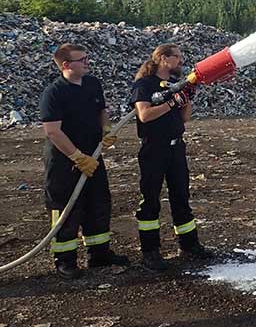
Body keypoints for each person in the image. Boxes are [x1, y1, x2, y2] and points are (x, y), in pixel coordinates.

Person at [40, 44, 129, 279]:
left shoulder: (92, 84)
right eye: (82, 59)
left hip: (93, 156)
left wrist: (106, 129)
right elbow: (52, 131)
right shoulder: (55, 93)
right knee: (66, 209)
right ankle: (65, 260)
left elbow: (102, 110)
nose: (87, 62)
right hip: (64, 161)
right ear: (66, 65)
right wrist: (77, 157)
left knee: (98, 203)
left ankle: (99, 253)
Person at [132, 44, 213, 271]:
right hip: (153, 149)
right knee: (150, 200)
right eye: (176, 56)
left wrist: (186, 100)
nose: (180, 60)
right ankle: (150, 252)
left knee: (181, 196)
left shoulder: (174, 85)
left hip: (176, 148)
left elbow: (184, 118)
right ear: (162, 58)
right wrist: (170, 102)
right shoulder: (143, 85)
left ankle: (189, 245)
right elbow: (145, 115)